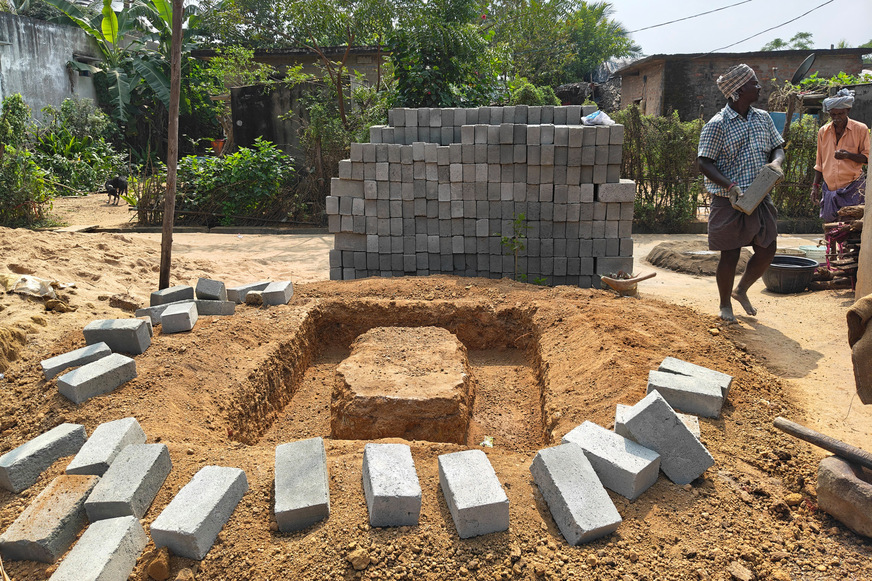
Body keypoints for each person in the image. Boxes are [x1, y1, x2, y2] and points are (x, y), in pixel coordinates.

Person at [697, 64, 786, 322]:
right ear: (738, 91)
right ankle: (725, 304)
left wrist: (776, 163)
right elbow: (704, 163)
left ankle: (741, 290)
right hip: (730, 200)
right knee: (731, 253)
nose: (759, 87)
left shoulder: (763, 118)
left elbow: (777, 148)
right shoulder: (718, 124)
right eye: (753, 83)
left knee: (768, 249)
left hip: (760, 196)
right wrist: (730, 186)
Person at [811, 88, 869, 223]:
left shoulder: (861, 129)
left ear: (848, 111)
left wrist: (848, 155)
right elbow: (819, 163)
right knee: (830, 228)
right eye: (833, 115)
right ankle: (830, 245)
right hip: (829, 189)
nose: (837, 118)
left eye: (840, 114)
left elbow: (867, 158)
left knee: (850, 229)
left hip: (853, 188)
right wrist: (815, 186)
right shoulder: (823, 132)